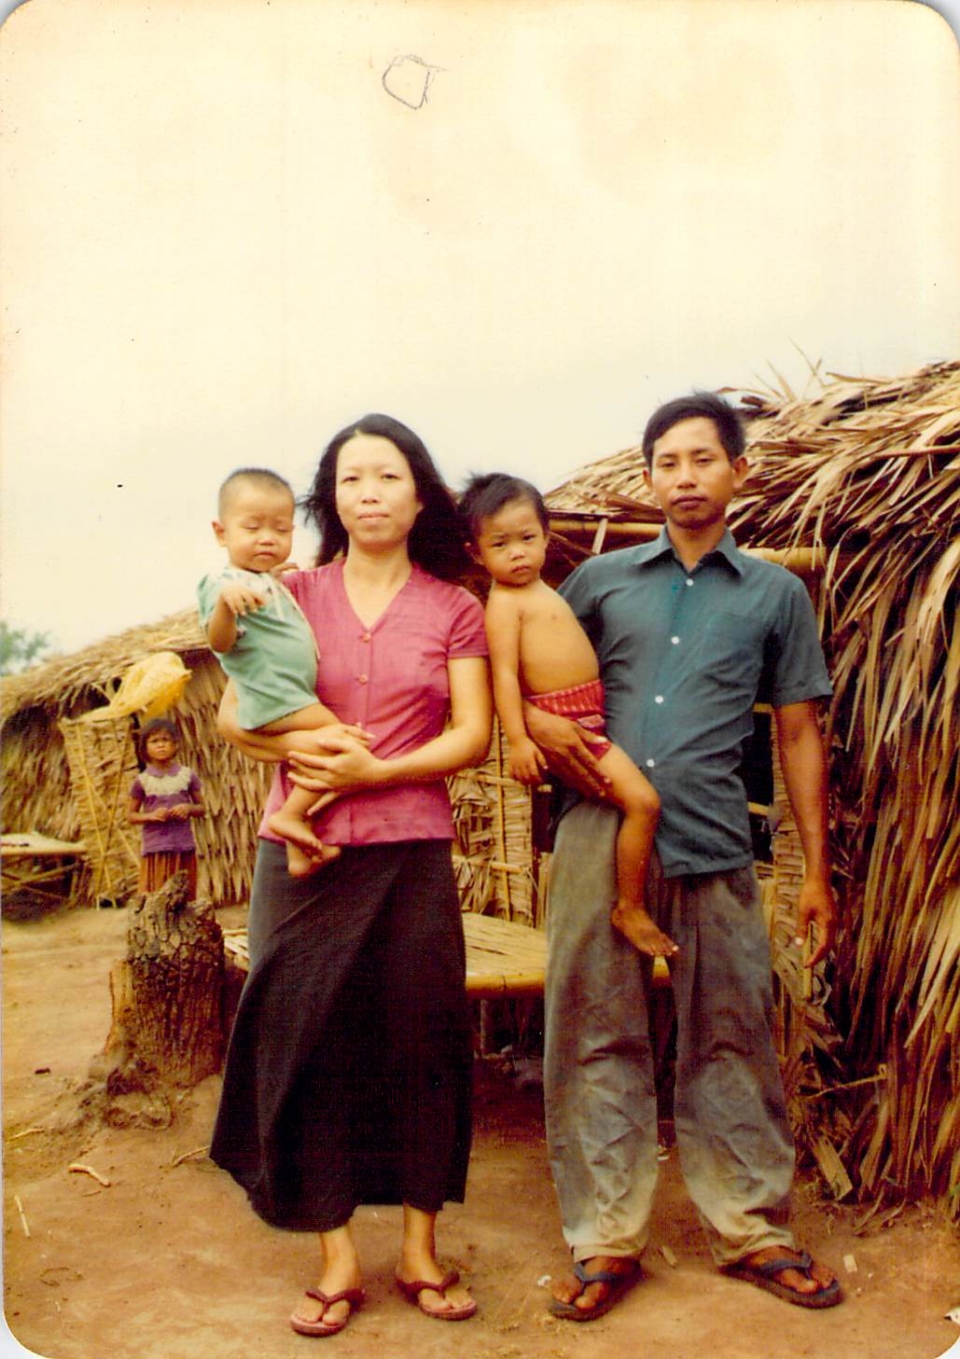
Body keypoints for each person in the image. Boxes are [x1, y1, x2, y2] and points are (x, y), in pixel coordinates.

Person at [527, 392, 841, 1320]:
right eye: (668, 461)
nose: (685, 477)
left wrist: (817, 870)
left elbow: (797, 732)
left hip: (714, 838)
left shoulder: (777, 594)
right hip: (598, 834)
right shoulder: (599, 582)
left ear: (739, 471)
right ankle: (605, 1237)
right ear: (649, 476)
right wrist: (539, 731)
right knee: (593, 1030)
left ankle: (752, 1228)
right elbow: (538, 685)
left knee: (732, 1030)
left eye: (703, 459)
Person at [209, 414, 492, 1337]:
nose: (369, 493)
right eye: (351, 479)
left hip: (411, 849)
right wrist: (303, 751)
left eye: (388, 475)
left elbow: (473, 735)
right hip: (304, 853)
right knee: (305, 1039)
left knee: (423, 1038)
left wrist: (379, 771)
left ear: (420, 494)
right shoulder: (287, 592)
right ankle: (334, 1257)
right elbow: (233, 716)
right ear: (331, 500)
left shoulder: (454, 607)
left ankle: (419, 1249)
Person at [459, 472, 672, 957]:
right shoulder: (503, 605)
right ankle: (630, 907)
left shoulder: (544, 589)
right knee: (644, 804)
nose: (517, 553)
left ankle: (628, 900)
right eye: (500, 544)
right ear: (477, 554)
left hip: (588, 716)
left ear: (546, 534)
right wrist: (519, 740)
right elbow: (504, 676)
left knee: (631, 805)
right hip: (568, 724)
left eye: (527, 538)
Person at [197, 468, 343, 878]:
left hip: (288, 694)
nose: (267, 538)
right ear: (221, 532)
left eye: (280, 529)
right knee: (339, 742)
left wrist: (272, 580)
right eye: (252, 528)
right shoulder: (221, 583)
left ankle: (297, 848)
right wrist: (225, 606)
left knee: (318, 759)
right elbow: (219, 642)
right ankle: (290, 816)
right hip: (275, 696)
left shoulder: (262, 581)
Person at [126, 718, 205, 896]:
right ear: (145, 748)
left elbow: (202, 808)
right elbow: (131, 815)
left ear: (175, 745)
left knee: (183, 892)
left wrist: (188, 808)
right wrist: (151, 816)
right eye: (154, 741)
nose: (161, 745)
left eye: (165, 740)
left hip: (183, 845)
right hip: (156, 847)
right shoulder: (143, 780)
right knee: (157, 893)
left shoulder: (186, 775)